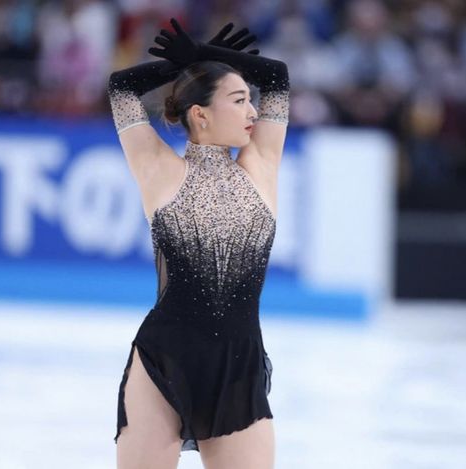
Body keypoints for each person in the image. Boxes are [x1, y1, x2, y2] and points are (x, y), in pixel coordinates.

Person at [107, 18, 289, 469]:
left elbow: (277, 77)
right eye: (239, 100)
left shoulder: (261, 164)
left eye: (251, 101)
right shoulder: (159, 170)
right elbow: (120, 89)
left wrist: (211, 55)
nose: (253, 112)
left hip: (239, 366)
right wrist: (185, 63)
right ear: (200, 114)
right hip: (162, 361)